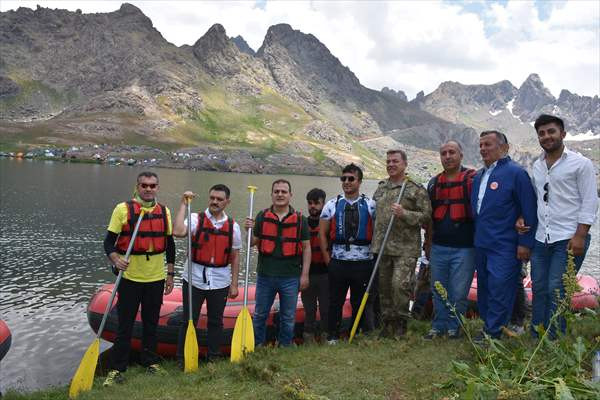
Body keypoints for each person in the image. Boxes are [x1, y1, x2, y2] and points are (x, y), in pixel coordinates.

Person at [517, 114, 598, 338]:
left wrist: (581, 235)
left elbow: (590, 201)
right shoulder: (538, 166)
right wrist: (522, 218)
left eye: (551, 131)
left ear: (562, 134)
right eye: (541, 133)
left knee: (557, 288)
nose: (546, 136)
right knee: (540, 288)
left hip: (570, 237)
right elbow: (538, 200)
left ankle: (555, 339)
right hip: (542, 238)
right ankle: (537, 335)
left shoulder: (581, 164)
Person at [102, 171, 175, 386]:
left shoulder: (164, 211)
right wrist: (116, 259)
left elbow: (170, 245)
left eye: (152, 186)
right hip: (130, 277)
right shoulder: (122, 209)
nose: (148, 189)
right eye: (144, 185)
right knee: (125, 324)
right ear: (138, 186)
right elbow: (108, 243)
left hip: (155, 278)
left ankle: (150, 362)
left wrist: (170, 274)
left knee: (151, 323)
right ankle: (117, 368)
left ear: (157, 188)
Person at [472, 131, 537, 342]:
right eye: (481, 145)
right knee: (485, 288)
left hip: (505, 245)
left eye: (488, 144)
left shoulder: (516, 173)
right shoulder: (479, 176)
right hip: (482, 244)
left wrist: (525, 244)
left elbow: (528, 210)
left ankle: (493, 333)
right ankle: (490, 326)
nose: (483, 149)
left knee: (500, 288)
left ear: (504, 147)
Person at [172, 184, 240, 363]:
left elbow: (235, 256)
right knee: (188, 321)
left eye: (219, 199)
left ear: (227, 202)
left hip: (220, 281)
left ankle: (213, 357)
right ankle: (183, 358)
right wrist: (183, 204)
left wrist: (234, 284)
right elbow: (178, 231)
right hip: (193, 279)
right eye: (212, 198)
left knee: (216, 322)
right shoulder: (195, 219)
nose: (215, 202)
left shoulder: (233, 227)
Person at [372, 150, 431, 338]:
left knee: (399, 286)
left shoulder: (415, 188)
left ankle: (401, 325)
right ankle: (388, 325)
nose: (390, 164)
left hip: (405, 248)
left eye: (395, 161)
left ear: (405, 164)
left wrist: (404, 213)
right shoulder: (382, 187)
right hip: (383, 247)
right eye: (388, 161)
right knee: (385, 288)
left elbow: (427, 216)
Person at [244, 179, 310, 347]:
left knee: (288, 317)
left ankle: (285, 345)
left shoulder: (301, 219)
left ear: (290, 195)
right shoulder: (262, 216)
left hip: (290, 277)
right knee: (260, 314)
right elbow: (251, 242)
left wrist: (305, 275)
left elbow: (306, 248)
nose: (280, 194)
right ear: (272, 194)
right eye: (276, 191)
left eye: (283, 191)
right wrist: (248, 231)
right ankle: (257, 345)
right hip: (265, 276)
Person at [422, 142, 475, 340]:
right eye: (444, 153)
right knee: (438, 290)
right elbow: (429, 218)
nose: (448, 156)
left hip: (466, 248)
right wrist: (427, 243)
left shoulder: (473, 180)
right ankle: (438, 326)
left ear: (461, 155)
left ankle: (455, 327)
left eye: (452, 152)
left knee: (459, 292)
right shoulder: (434, 183)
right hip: (439, 247)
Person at [319, 164, 376, 344]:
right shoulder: (331, 205)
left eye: (351, 178)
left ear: (359, 181)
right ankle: (333, 336)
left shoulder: (370, 205)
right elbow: (322, 234)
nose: (346, 182)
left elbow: (377, 232)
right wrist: (329, 260)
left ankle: (355, 333)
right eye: (343, 178)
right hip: (338, 263)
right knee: (335, 301)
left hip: (363, 263)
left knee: (359, 302)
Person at [301, 188, 329, 343]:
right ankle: (308, 337)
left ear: (323, 204)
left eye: (317, 203)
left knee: (326, 308)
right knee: (309, 309)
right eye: (310, 203)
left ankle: (326, 336)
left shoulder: (329, 224)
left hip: (325, 274)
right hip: (308, 274)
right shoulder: (302, 224)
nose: (313, 206)